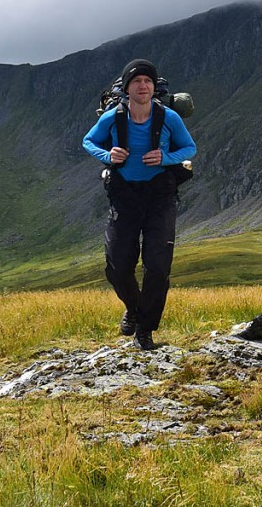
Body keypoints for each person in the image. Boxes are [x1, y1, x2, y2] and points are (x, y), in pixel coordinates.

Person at [82, 59, 197, 350]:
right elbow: (88, 141)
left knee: (158, 268)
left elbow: (189, 148)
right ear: (127, 88)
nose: (143, 86)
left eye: (148, 81)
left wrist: (165, 158)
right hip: (124, 196)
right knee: (118, 267)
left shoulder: (169, 117)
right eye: (137, 82)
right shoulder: (113, 118)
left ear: (154, 87)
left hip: (160, 197)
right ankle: (133, 309)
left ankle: (145, 330)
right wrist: (109, 156)